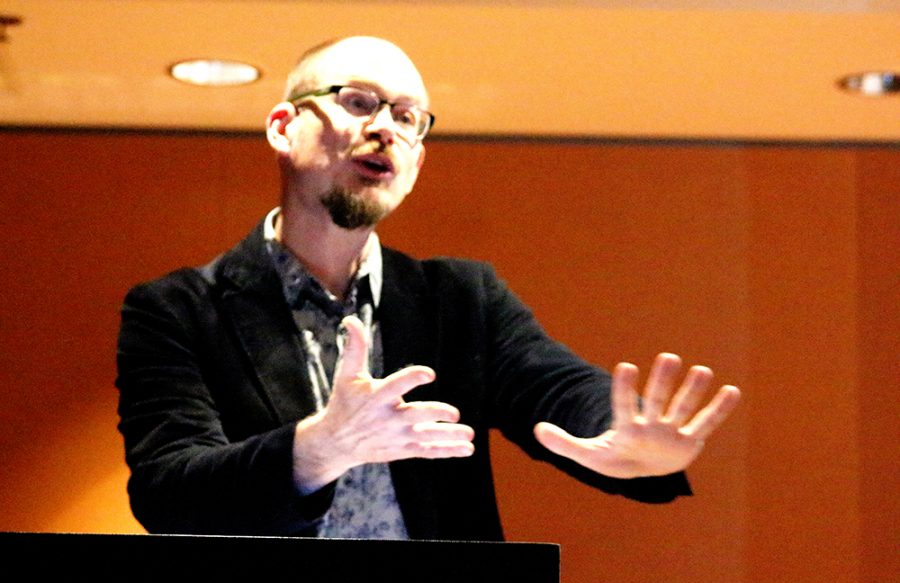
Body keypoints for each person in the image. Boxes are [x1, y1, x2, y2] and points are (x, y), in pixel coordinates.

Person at [116, 36, 740, 540]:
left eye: (408, 118)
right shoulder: (177, 309)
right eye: (358, 101)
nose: (386, 128)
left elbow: (556, 384)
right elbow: (170, 492)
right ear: (283, 128)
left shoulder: (461, 299)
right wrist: (319, 448)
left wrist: (622, 431)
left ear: (416, 164)